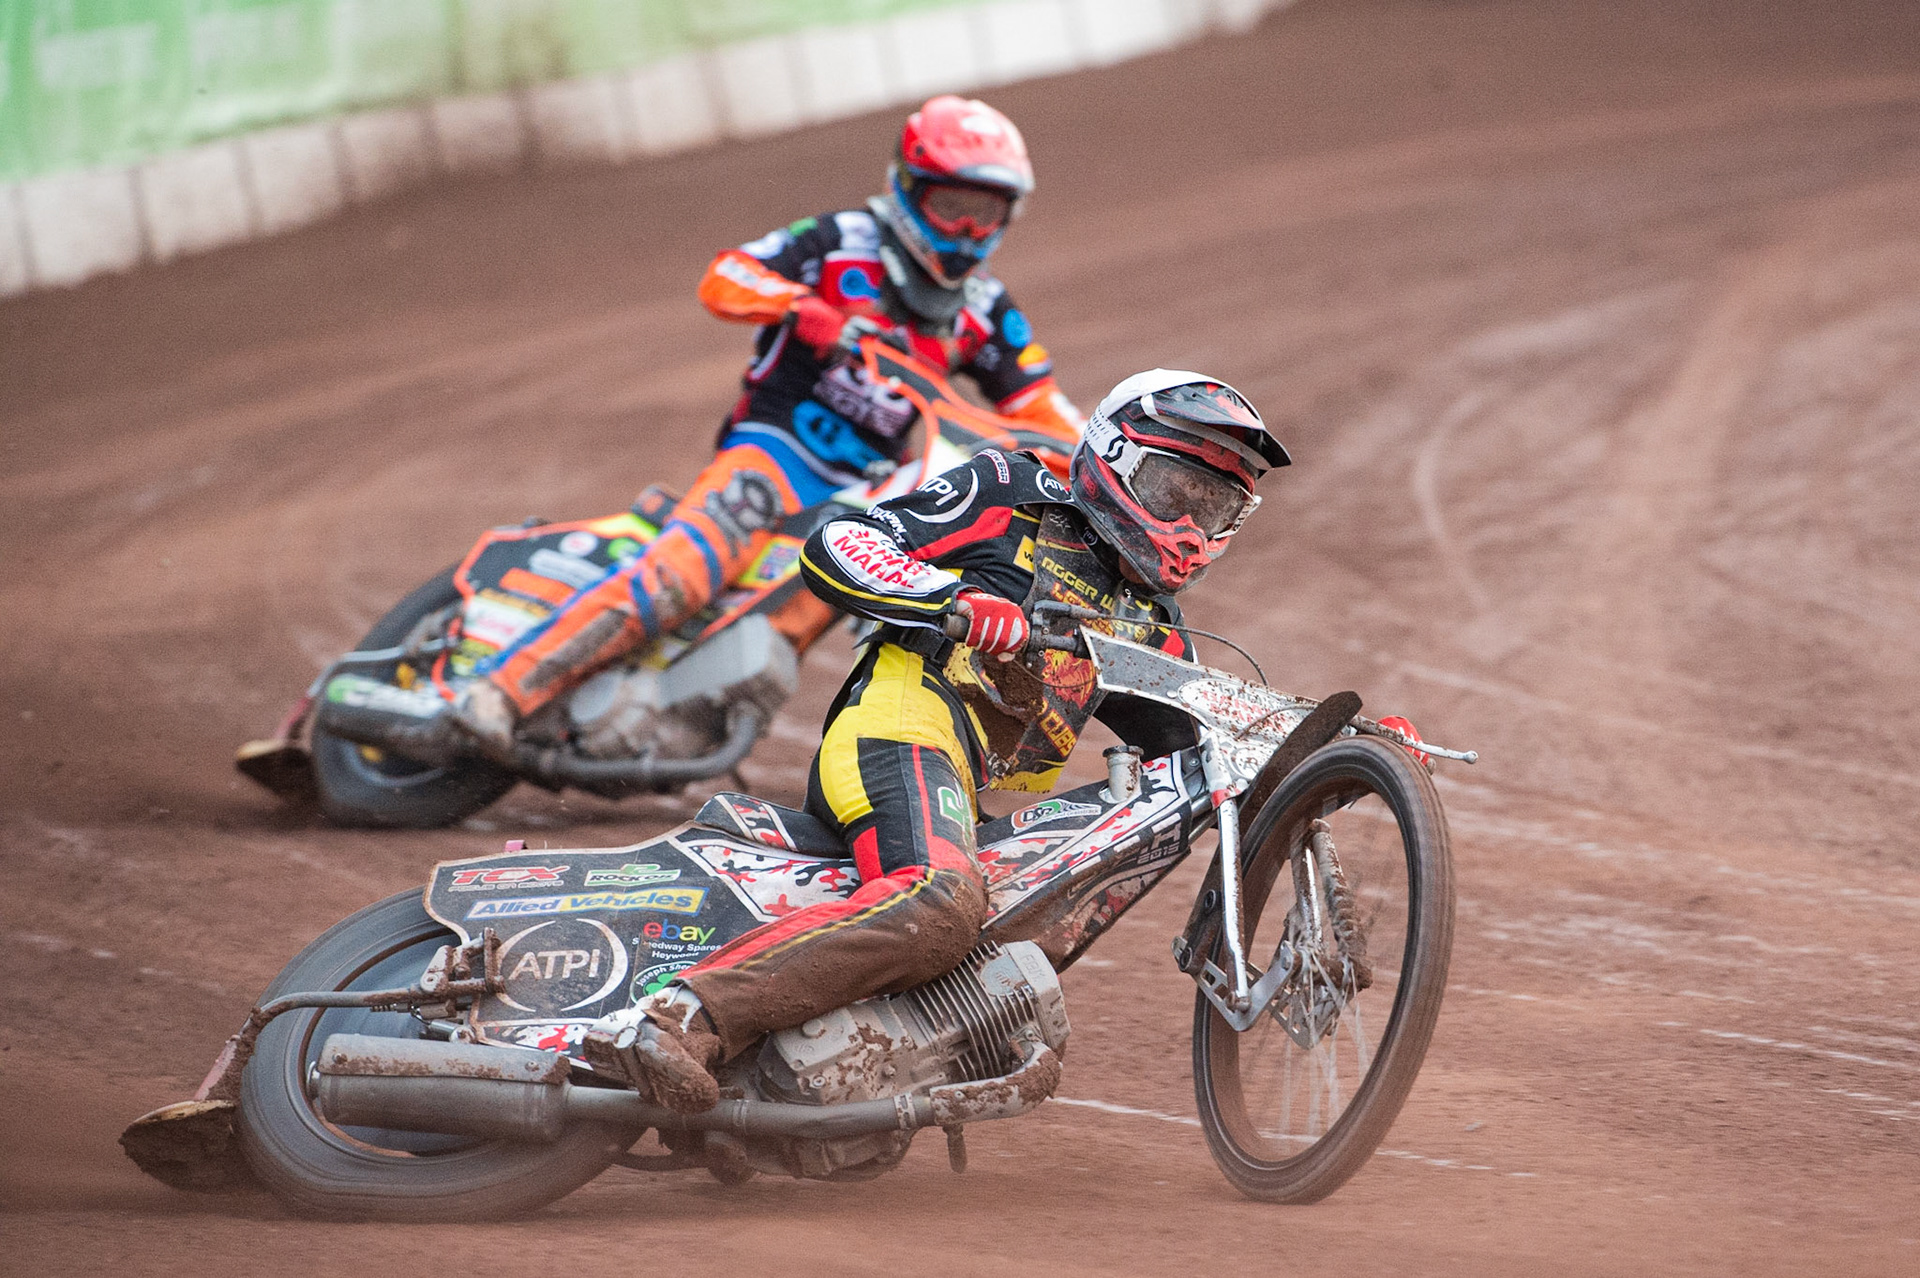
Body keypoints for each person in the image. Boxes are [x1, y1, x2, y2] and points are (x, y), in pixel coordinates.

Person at [584, 369, 1291, 1112]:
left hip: (969, 798)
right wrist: (950, 599)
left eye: (1212, 509)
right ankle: (677, 1017)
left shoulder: (1152, 627)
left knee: (997, 932)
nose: (1186, 525)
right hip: (899, 725)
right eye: (1174, 492)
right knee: (938, 903)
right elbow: (844, 539)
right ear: (1113, 454)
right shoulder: (1011, 493)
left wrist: (1349, 749)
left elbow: (1209, 740)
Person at [451, 95, 1083, 756]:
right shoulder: (841, 241)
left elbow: (1039, 404)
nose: (968, 231)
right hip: (775, 453)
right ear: (909, 187)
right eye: (952, 206)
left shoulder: (984, 310)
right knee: (682, 576)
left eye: (988, 213)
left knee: (848, 592)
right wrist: (799, 305)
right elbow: (726, 276)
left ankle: (696, 719)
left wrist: (1092, 456)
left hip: (866, 486)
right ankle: (501, 690)